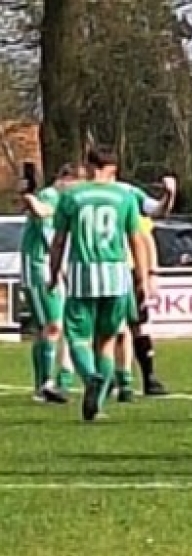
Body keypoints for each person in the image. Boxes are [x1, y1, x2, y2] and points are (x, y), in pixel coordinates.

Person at [47, 146, 151, 421]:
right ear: (113, 169)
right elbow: (136, 240)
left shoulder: (71, 196)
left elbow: (59, 241)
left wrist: (53, 273)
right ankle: (97, 405)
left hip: (82, 275)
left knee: (78, 338)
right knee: (106, 341)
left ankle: (89, 377)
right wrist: (143, 278)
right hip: (116, 277)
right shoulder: (124, 196)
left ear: (88, 165)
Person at [19, 163, 82, 404]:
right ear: (66, 179)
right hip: (39, 268)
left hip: (49, 267)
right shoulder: (50, 195)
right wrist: (29, 198)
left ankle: (56, 381)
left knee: (54, 326)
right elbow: (43, 216)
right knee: (52, 325)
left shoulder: (62, 201)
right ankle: (46, 384)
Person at [115, 175, 177, 397]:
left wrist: (169, 194)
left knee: (137, 324)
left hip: (130, 269)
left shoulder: (128, 193)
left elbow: (151, 225)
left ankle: (147, 378)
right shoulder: (81, 194)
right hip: (105, 269)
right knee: (109, 328)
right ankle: (115, 378)